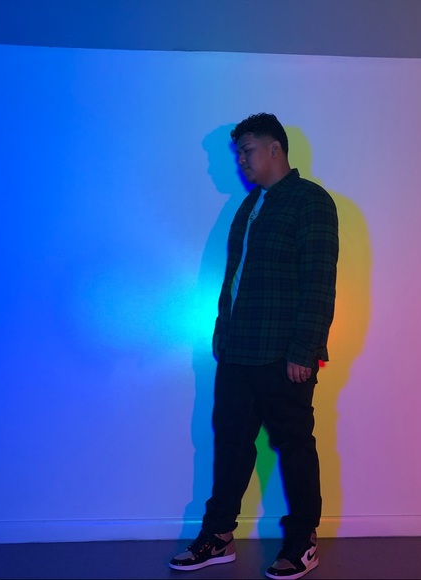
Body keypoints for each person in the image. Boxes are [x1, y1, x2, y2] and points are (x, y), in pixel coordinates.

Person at [169, 113, 339, 579]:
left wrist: (304, 350)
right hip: (238, 352)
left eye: (247, 151)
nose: (241, 161)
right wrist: (222, 334)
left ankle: (302, 542)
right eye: (239, 153)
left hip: (284, 357)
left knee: (294, 446)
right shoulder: (251, 205)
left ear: (275, 149)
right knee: (230, 446)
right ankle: (218, 536)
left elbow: (319, 283)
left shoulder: (310, 201)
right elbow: (237, 280)